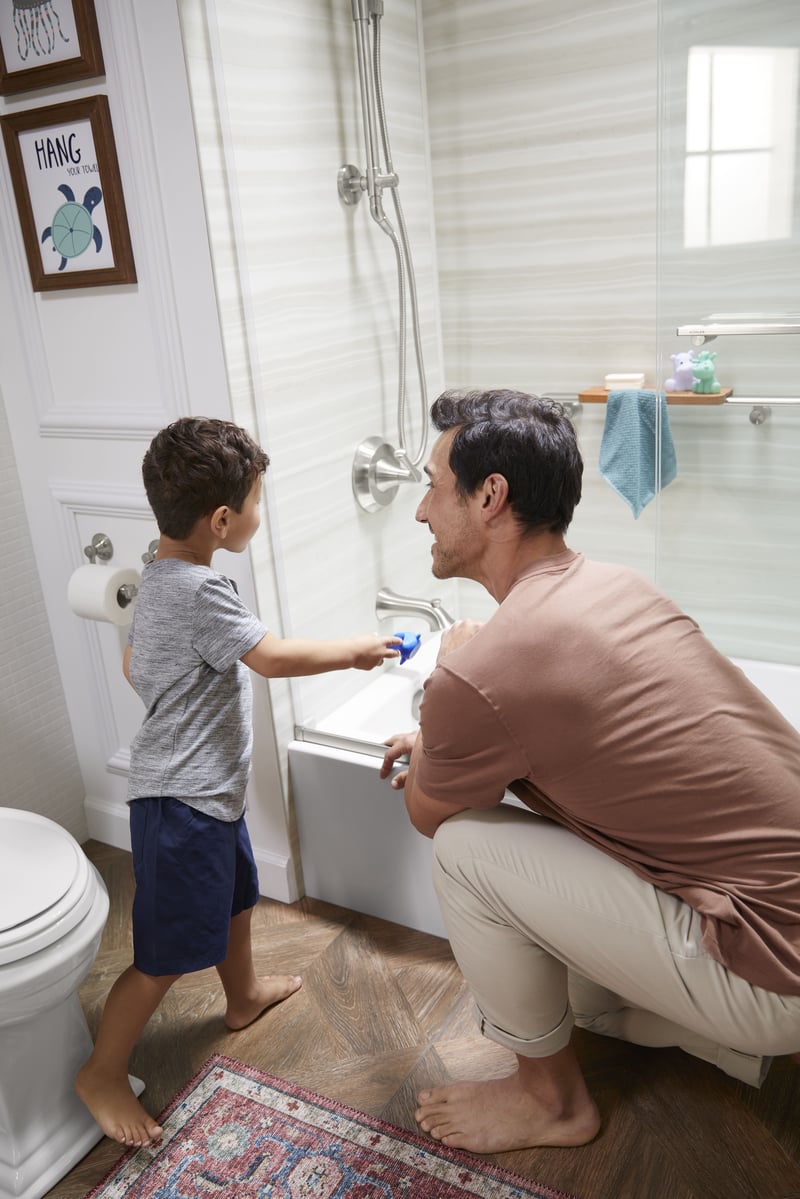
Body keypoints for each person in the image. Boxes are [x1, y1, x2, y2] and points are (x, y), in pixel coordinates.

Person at [380, 388, 800, 1154]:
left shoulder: (481, 671)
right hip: (784, 920)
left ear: (490, 497)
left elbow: (429, 814)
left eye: (434, 486)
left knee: (466, 849)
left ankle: (553, 1100)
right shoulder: (617, 585)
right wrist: (439, 733)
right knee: (575, 998)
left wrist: (448, 681)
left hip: (773, 962)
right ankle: (750, 1046)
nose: (419, 512)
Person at [76, 417, 401, 1149]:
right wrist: (353, 651)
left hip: (201, 795)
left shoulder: (158, 578)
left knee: (236, 899)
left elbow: (136, 667)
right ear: (223, 521)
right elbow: (273, 657)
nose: (259, 512)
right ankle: (102, 1069)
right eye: (257, 502)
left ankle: (242, 994)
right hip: (182, 803)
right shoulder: (203, 593)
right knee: (161, 956)